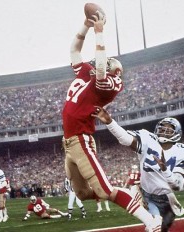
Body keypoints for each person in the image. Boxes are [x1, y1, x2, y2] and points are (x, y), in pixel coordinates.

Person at [62, 8, 161, 232]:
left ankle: (150, 220)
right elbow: (74, 50)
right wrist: (86, 26)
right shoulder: (85, 72)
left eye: (111, 63)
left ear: (116, 71)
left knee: (106, 191)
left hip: (81, 139)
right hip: (68, 144)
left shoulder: (111, 83)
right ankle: (122, 194)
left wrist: (99, 33)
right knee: (83, 193)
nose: (108, 63)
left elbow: (100, 71)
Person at [92, 106, 184, 232]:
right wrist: (110, 122)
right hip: (146, 194)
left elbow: (177, 186)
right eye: (162, 129)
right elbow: (125, 138)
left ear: (177, 133)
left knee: (163, 228)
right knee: (154, 228)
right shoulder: (148, 138)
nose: (163, 132)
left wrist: (165, 169)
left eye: (168, 130)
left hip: (166, 198)